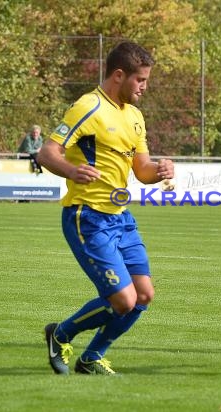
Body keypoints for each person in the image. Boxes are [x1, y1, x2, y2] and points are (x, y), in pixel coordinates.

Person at [37, 41, 174, 375]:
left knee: (143, 296)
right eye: (140, 80)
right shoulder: (88, 106)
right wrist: (71, 170)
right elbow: (46, 152)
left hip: (121, 219)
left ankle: (92, 357)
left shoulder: (135, 116)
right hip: (88, 217)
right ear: (118, 75)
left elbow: (142, 171)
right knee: (123, 301)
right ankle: (61, 333)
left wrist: (161, 169)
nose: (145, 86)